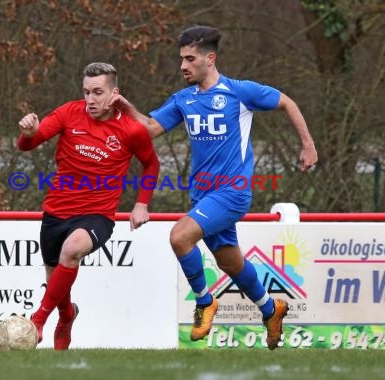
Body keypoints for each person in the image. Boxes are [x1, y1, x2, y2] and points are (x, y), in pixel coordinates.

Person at [110, 26, 318, 350]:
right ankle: (270, 308)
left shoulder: (239, 92)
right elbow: (150, 128)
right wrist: (125, 110)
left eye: (189, 59)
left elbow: (287, 103)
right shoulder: (183, 99)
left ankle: (205, 302)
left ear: (210, 58)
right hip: (203, 195)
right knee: (230, 262)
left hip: (232, 192)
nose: (183, 66)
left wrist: (307, 145)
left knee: (179, 237)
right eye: (181, 59)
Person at [17, 62, 160, 350]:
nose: (91, 100)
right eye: (86, 92)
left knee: (72, 250)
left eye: (98, 92)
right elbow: (27, 145)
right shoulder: (69, 113)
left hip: (98, 215)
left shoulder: (131, 129)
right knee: (57, 280)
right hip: (56, 212)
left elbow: (151, 165)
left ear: (114, 93)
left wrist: (141, 204)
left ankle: (38, 321)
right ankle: (66, 315)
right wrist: (29, 133)